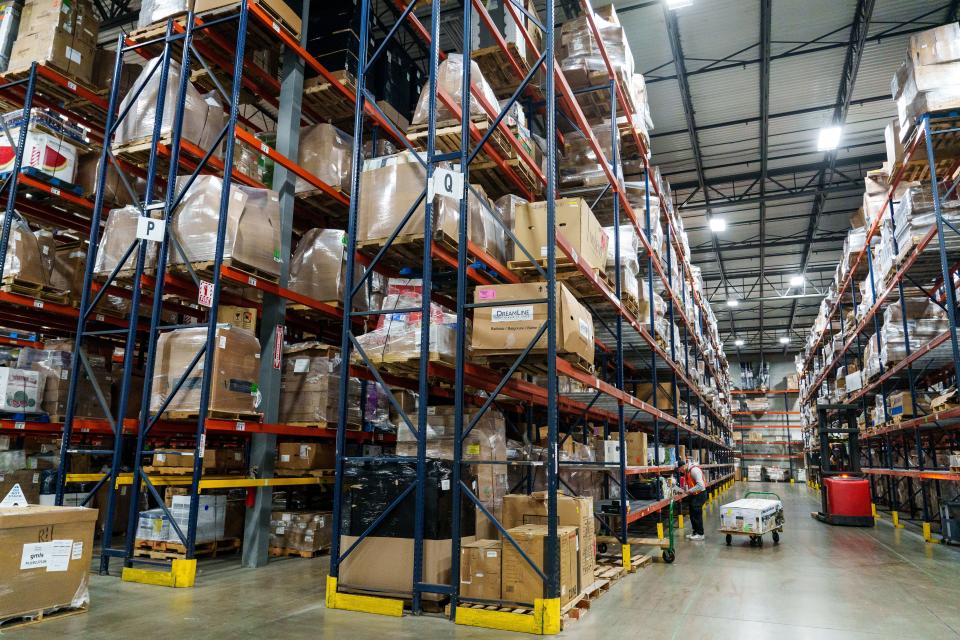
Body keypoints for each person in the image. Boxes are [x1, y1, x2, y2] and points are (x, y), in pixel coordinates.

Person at [678, 458, 707, 540]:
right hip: (694, 495)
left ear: (683, 466)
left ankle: (700, 534)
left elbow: (701, 485)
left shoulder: (694, 470)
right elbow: (691, 484)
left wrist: (689, 491)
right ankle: (695, 532)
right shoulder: (687, 472)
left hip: (700, 494)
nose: (680, 472)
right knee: (692, 514)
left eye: (679, 470)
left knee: (697, 515)